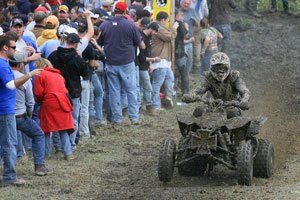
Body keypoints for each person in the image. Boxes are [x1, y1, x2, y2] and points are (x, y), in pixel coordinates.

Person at [0, 34, 42, 186]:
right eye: (13, 47)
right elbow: (10, 85)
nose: (15, 49)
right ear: (5, 48)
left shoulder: (3, 63)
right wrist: (29, 75)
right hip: (5, 110)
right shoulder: (2, 65)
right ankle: (10, 176)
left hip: (5, 108)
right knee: (9, 143)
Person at [98, 1, 145, 125]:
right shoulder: (131, 25)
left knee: (114, 91)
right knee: (131, 90)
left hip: (111, 62)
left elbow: (99, 43)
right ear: (125, 11)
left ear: (114, 11)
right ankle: (134, 117)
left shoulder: (105, 25)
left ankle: (117, 119)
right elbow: (141, 45)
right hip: (127, 62)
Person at [10, 53, 50, 176]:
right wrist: (30, 114)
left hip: (5, 115)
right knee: (38, 134)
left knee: (5, 141)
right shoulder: (25, 78)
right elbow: (30, 102)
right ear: (21, 64)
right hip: (20, 117)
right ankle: (39, 166)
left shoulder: (5, 77)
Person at [48, 32, 89, 150]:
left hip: (56, 91)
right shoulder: (77, 58)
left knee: (56, 119)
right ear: (76, 44)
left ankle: (58, 146)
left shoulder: (54, 55)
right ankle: (70, 144)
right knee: (73, 119)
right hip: (73, 92)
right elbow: (85, 73)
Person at [183, 52, 250, 118]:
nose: (220, 72)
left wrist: (244, 100)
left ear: (228, 67)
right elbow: (199, 89)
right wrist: (191, 95)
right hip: (213, 106)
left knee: (232, 113)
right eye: (216, 68)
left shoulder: (234, 77)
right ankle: (191, 129)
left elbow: (244, 91)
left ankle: (238, 129)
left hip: (232, 106)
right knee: (199, 110)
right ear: (211, 68)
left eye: (223, 68)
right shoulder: (209, 78)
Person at [34, 58, 75, 161]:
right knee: (63, 129)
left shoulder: (39, 74)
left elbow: (38, 93)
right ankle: (68, 153)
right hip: (64, 102)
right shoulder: (58, 75)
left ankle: (45, 154)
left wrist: (38, 101)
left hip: (49, 102)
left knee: (46, 129)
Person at [151, 11, 178, 110]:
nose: (167, 22)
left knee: (170, 79)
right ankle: (155, 105)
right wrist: (174, 29)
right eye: (167, 21)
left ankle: (168, 98)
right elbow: (170, 37)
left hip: (164, 61)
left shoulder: (161, 28)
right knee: (157, 84)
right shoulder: (158, 28)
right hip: (159, 60)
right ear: (162, 20)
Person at [138, 19, 160, 114]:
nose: (155, 34)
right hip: (140, 66)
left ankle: (142, 106)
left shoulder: (149, 38)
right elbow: (141, 57)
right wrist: (154, 59)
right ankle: (147, 106)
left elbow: (148, 53)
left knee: (143, 87)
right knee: (146, 87)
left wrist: (150, 65)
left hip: (145, 65)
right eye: (155, 31)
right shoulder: (141, 38)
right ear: (151, 29)